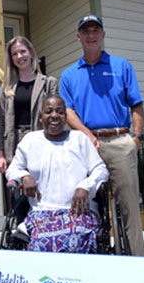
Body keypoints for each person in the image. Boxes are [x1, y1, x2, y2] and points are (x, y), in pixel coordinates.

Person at [60, 14, 144, 256]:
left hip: (120, 141)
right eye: (85, 31)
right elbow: (67, 110)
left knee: (128, 206)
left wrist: (136, 139)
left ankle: (136, 262)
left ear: (103, 34)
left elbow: (136, 105)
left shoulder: (121, 66)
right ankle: (94, 257)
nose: (90, 35)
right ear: (78, 37)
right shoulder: (69, 74)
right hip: (86, 145)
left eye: (95, 30)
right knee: (87, 204)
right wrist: (87, 135)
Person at [6, 95, 109, 253]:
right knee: (41, 241)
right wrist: (23, 176)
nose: (54, 115)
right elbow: (12, 170)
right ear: (41, 117)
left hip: (79, 212)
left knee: (76, 237)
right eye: (49, 111)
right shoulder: (30, 140)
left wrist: (85, 186)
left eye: (60, 112)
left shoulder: (79, 139)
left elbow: (101, 170)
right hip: (41, 212)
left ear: (66, 118)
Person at [0, 36, 58, 214]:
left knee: (42, 192)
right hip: (13, 144)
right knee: (17, 198)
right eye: (15, 54)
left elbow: (56, 118)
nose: (20, 56)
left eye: (23, 51)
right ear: (11, 59)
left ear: (31, 53)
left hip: (41, 142)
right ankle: (20, 237)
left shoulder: (48, 83)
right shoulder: (6, 87)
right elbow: (0, 121)